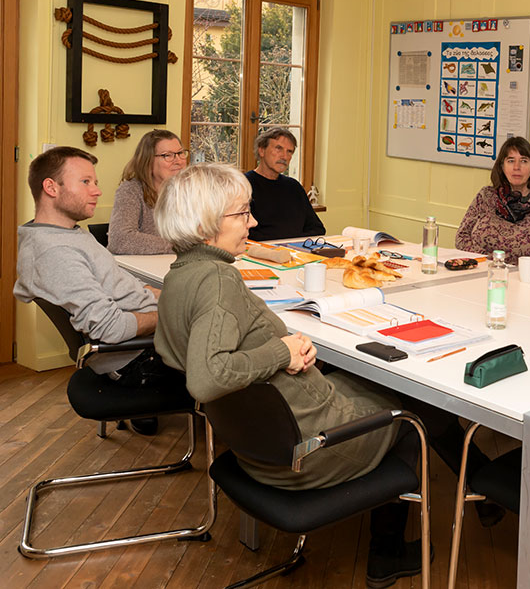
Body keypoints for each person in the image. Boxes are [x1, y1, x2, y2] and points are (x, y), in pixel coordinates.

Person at [153, 163, 421, 587]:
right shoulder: (218, 281)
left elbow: (173, 351)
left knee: (367, 383)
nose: (253, 222)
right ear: (207, 225)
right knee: (415, 414)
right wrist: (280, 350)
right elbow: (206, 379)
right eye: (242, 214)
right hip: (304, 453)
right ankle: (387, 551)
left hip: (257, 447)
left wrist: (278, 349)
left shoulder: (183, 273)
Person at [13, 146, 170, 434]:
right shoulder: (55, 253)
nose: (97, 191)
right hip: (139, 359)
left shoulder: (65, 232)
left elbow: (114, 285)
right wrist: (173, 315)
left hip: (142, 344)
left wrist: (163, 295)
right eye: (86, 182)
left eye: (95, 182)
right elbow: (109, 328)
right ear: (51, 187)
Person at [455, 136, 530, 272]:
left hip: (523, 281)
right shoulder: (485, 196)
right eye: (511, 161)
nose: (517, 167)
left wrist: (511, 271)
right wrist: (492, 264)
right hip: (479, 273)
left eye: (523, 161)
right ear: (502, 166)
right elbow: (462, 238)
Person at [108, 128, 188, 254]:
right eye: (167, 155)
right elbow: (120, 240)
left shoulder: (191, 190)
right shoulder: (131, 190)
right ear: (148, 161)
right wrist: (179, 246)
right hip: (139, 270)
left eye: (180, 153)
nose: (178, 161)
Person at [245, 127, 325, 241]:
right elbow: (244, 233)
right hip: (259, 254)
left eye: (289, 151)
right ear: (261, 150)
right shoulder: (243, 186)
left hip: (298, 252)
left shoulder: (294, 187)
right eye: (278, 148)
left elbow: (317, 229)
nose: (285, 157)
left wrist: (292, 245)